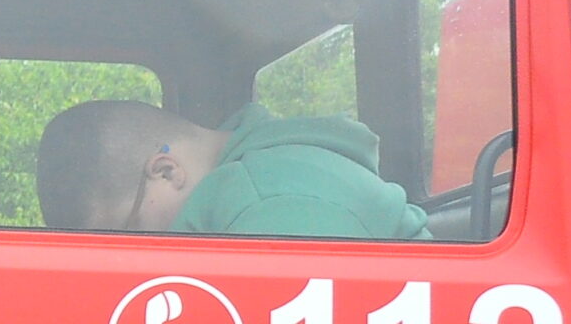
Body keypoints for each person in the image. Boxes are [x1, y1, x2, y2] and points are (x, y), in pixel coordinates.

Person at [36, 98, 433, 239]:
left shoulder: (272, 201)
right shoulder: (257, 186)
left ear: (167, 172)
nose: (131, 257)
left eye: (130, 232)